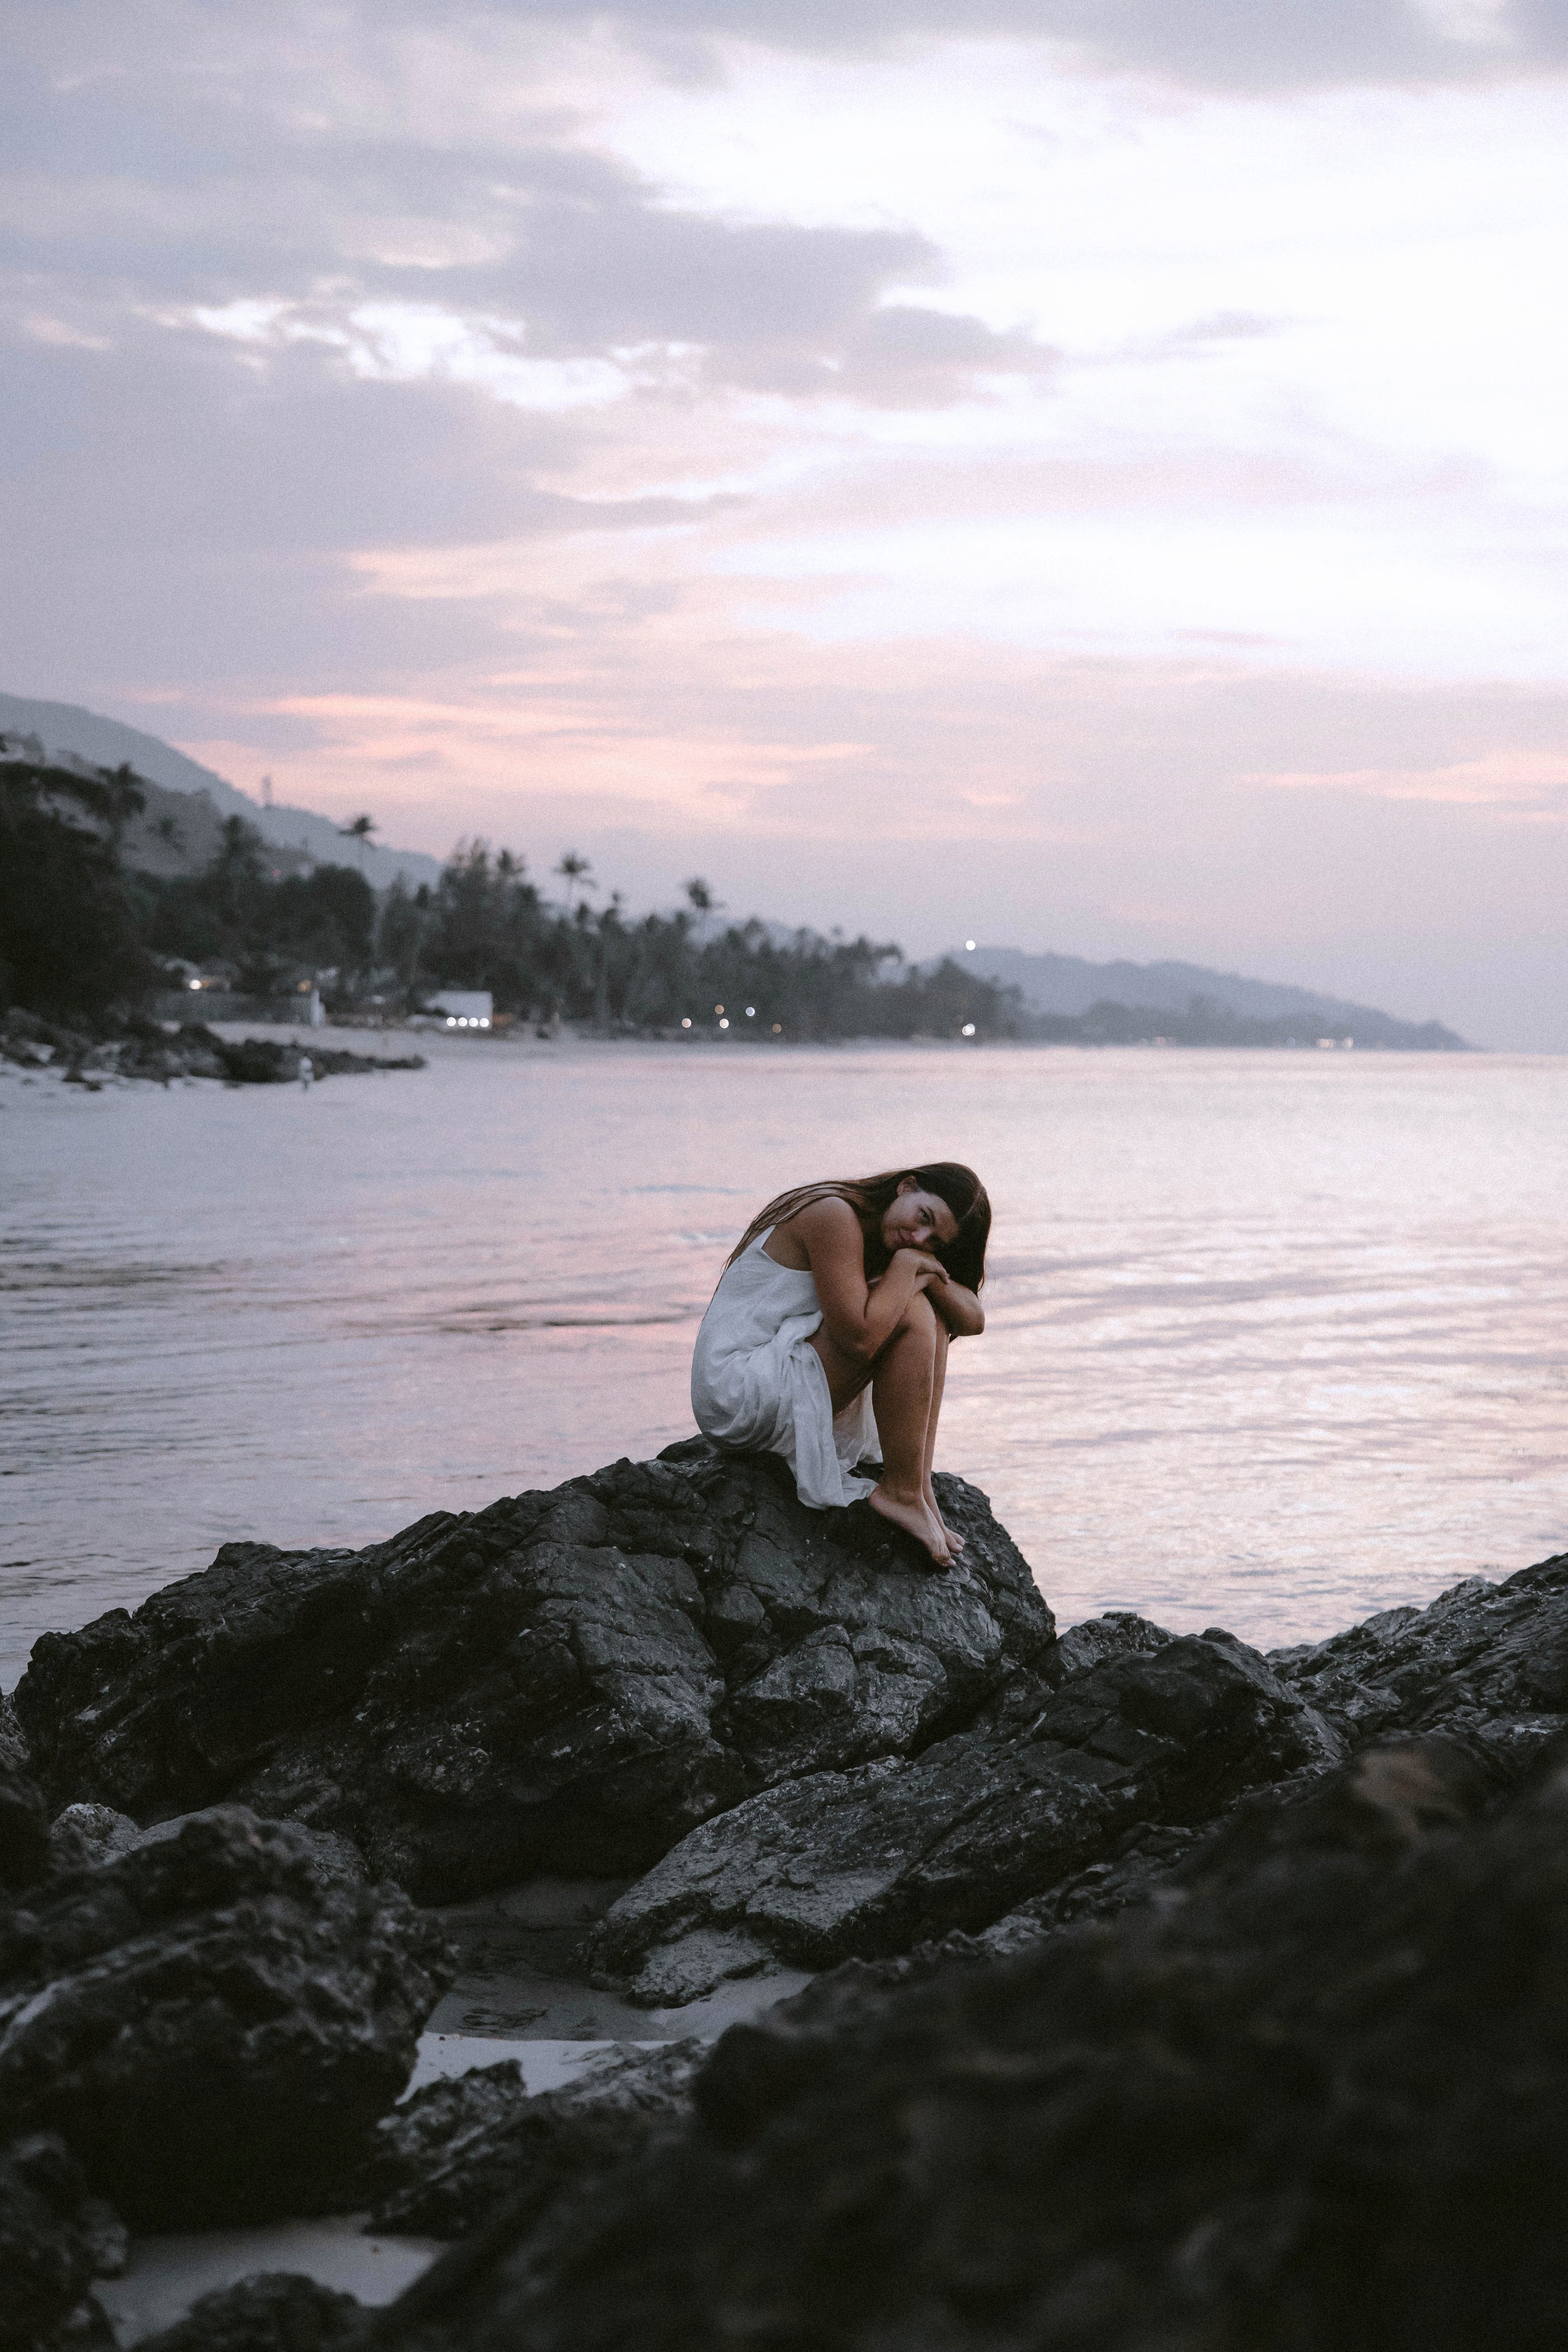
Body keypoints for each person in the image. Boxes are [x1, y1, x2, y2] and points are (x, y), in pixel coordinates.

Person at [691, 1163, 989, 1567]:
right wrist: (907, 1268)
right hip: (735, 1390)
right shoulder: (833, 1214)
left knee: (929, 1313)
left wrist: (925, 1272)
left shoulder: (886, 1236)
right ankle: (901, 1491)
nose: (918, 1238)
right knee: (912, 1310)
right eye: (924, 1218)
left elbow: (973, 1319)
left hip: (769, 1376)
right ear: (907, 1186)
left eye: (934, 1241)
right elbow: (862, 1340)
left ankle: (917, 1487)